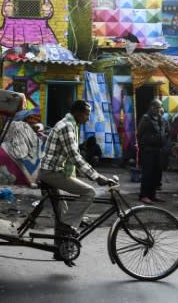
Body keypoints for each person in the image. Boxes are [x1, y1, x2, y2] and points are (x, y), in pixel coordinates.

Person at [39, 100, 113, 263]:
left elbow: (73, 157)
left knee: (63, 214)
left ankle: (61, 251)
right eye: (87, 113)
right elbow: (75, 156)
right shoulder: (67, 127)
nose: (88, 117)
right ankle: (68, 226)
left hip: (54, 171)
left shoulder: (70, 124)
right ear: (78, 113)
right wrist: (96, 176)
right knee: (89, 192)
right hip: (51, 173)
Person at [136, 99, 167, 204]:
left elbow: (166, 132)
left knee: (157, 173)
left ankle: (152, 195)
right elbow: (139, 134)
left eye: (160, 107)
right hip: (148, 150)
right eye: (158, 107)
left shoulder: (161, 119)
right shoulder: (146, 119)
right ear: (152, 107)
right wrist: (143, 147)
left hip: (159, 150)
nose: (160, 109)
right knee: (147, 173)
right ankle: (144, 195)